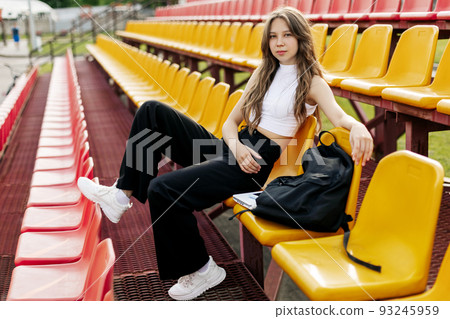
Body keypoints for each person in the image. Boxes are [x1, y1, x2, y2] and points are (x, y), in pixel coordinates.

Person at [78, 6, 373, 301]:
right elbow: (231, 124)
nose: (279, 42)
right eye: (273, 36)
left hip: (257, 164)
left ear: (300, 38)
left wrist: (357, 125)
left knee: (163, 188)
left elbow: (338, 116)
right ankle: (121, 193)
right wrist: (236, 146)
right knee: (152, 112)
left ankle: (203, 269)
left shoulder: (311, 81)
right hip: (235, 147)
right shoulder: (263, 73)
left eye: (287, 35)